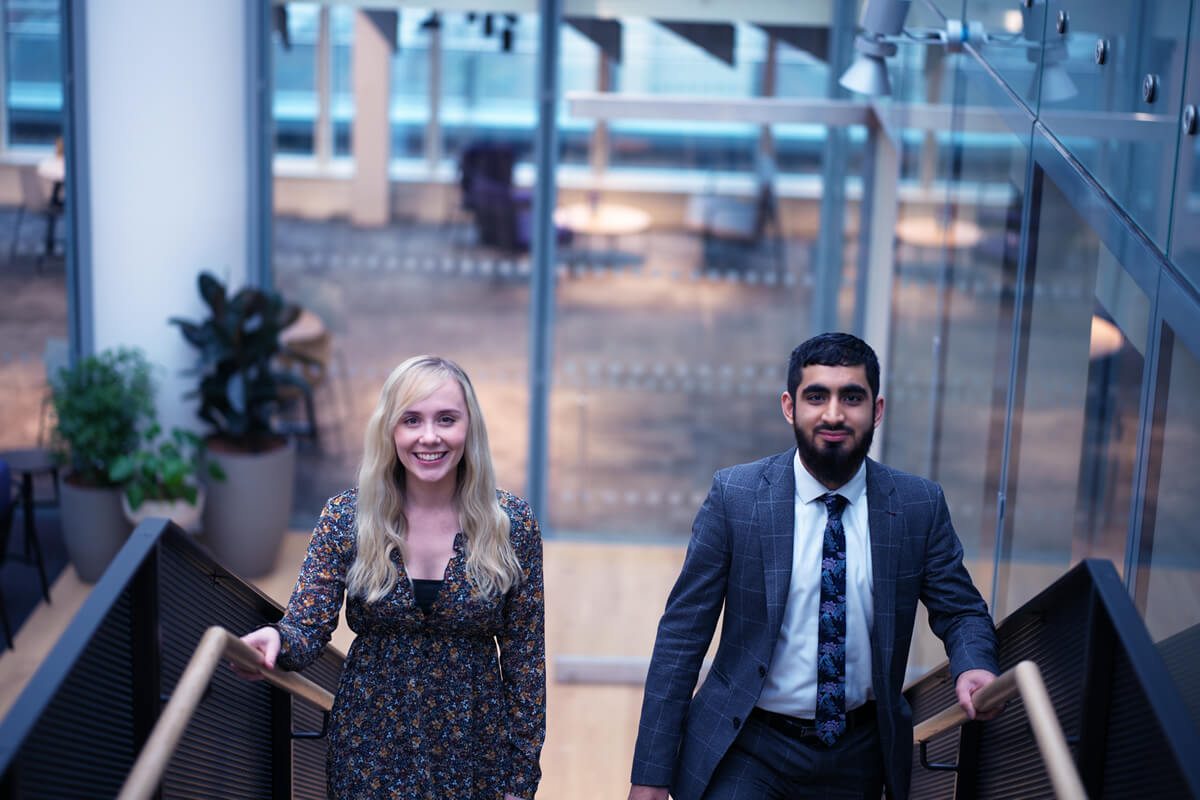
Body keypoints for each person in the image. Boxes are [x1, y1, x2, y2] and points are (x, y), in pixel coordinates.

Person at [628, 333, 999, 800]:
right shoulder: (736, 497)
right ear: (790, 406)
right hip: (747, 745)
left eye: (852, 397)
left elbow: (962, 610)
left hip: (859, 753)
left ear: (877, 410)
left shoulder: (917, 505)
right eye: (816, 396)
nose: (833, 414)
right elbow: (682, 635)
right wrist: (650, 776)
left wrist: (973, 665)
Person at [235, 355, 545, 800]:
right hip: (368, 747)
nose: (429, 436)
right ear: (390, 430)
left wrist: (519, 782)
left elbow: (526, 665)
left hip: (476, 752)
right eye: (411, 420)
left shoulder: (512, 524)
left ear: (469, 428)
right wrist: (276, 640)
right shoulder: (346, 516)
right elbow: (308, 622)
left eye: (447, 419)